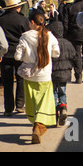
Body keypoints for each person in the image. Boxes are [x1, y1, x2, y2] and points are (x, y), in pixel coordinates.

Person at [15, 11, 60, 144]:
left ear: (32, 23)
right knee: (44, 103)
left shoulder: (24, 37)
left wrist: (27, 58)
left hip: (29, 77)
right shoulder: (49, 36)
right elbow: (56, 53)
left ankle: (36, 123)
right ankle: (39, 126)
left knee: (32, 102)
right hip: (45, 75)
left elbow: (17, 56)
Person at [0, 0, 30, 116]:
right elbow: (27, 36)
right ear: (17, 7)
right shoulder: (23, 20)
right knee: (21, 78)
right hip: (20, 53)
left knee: (7, 81)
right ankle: (20, 105)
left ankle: (8, 108)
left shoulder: (0, 19)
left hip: (4, 54)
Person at [47, 21, 77, 126]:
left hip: (52, 73)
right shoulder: (68, 43)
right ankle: (63, 107)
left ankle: (55, 112)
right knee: (62, 92)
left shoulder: (50, 43)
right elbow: (74, 56)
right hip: (65, 73)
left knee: (53, 93)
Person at [63, 0, 83, 83]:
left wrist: (66, 34)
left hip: (74, 34)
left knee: (77, 55)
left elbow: (65, 22)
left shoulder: (69, 7)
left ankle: (78, 76)